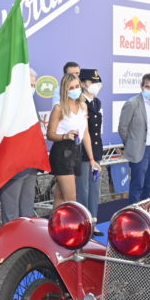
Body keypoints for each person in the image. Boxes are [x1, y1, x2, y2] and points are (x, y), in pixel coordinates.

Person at [47, 73, 100, 206]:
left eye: (77, 86)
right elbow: (50, 134)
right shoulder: (59, 108)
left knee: (60, 196)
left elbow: (86, 133)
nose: (75, 89)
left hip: (77, 152)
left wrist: (92, 159)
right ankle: (69, 226)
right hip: (62, 153)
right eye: (71, 88)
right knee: (71, 199)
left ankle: (55, 225)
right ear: (65, 90)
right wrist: (65, 136)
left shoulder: (83, 106)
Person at [0, 68, 41, 225]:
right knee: (11, 214)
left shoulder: (30, 102)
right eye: (30, 84)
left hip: (30, 164)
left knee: (27, 210)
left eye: (34, 85)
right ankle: (11, 246)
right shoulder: (7, 103)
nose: (32, 88)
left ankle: (27, 244)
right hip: (12, 166)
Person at [118, 73, 150, 203]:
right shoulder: (132, 103)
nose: (149, 90)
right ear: (141, 86)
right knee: (137, 184)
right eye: (147, 87)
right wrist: (131, 144)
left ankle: (146, 213)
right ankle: (134, 215)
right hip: (140, 150)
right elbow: (123, 128)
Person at [74, 69, 104, 233]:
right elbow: (84, 131)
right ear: (83, 83)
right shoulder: (80, 102)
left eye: (97, 82)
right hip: (83, 152)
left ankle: (93, 221)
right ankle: (83, 223)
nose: (95, 85)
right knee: (83, 189)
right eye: (92, 82)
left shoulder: (96, 102)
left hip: (96, 150)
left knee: (95, 187)